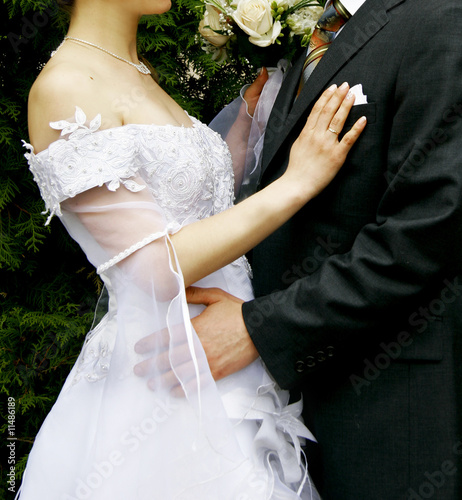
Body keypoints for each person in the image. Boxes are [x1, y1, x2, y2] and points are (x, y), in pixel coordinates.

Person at [18, 0, 366, 498]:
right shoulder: (64, 86)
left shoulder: (135, 69)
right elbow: (152, 267)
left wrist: (251, 115)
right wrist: (297, 182)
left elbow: (185, 199)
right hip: (166, 380)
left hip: (228, 346)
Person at [163, 0, 462, 498]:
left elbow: (421, 240)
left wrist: (258, 328)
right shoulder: (320, 28)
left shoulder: (448, 21)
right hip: (286, 412)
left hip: (390, 415)